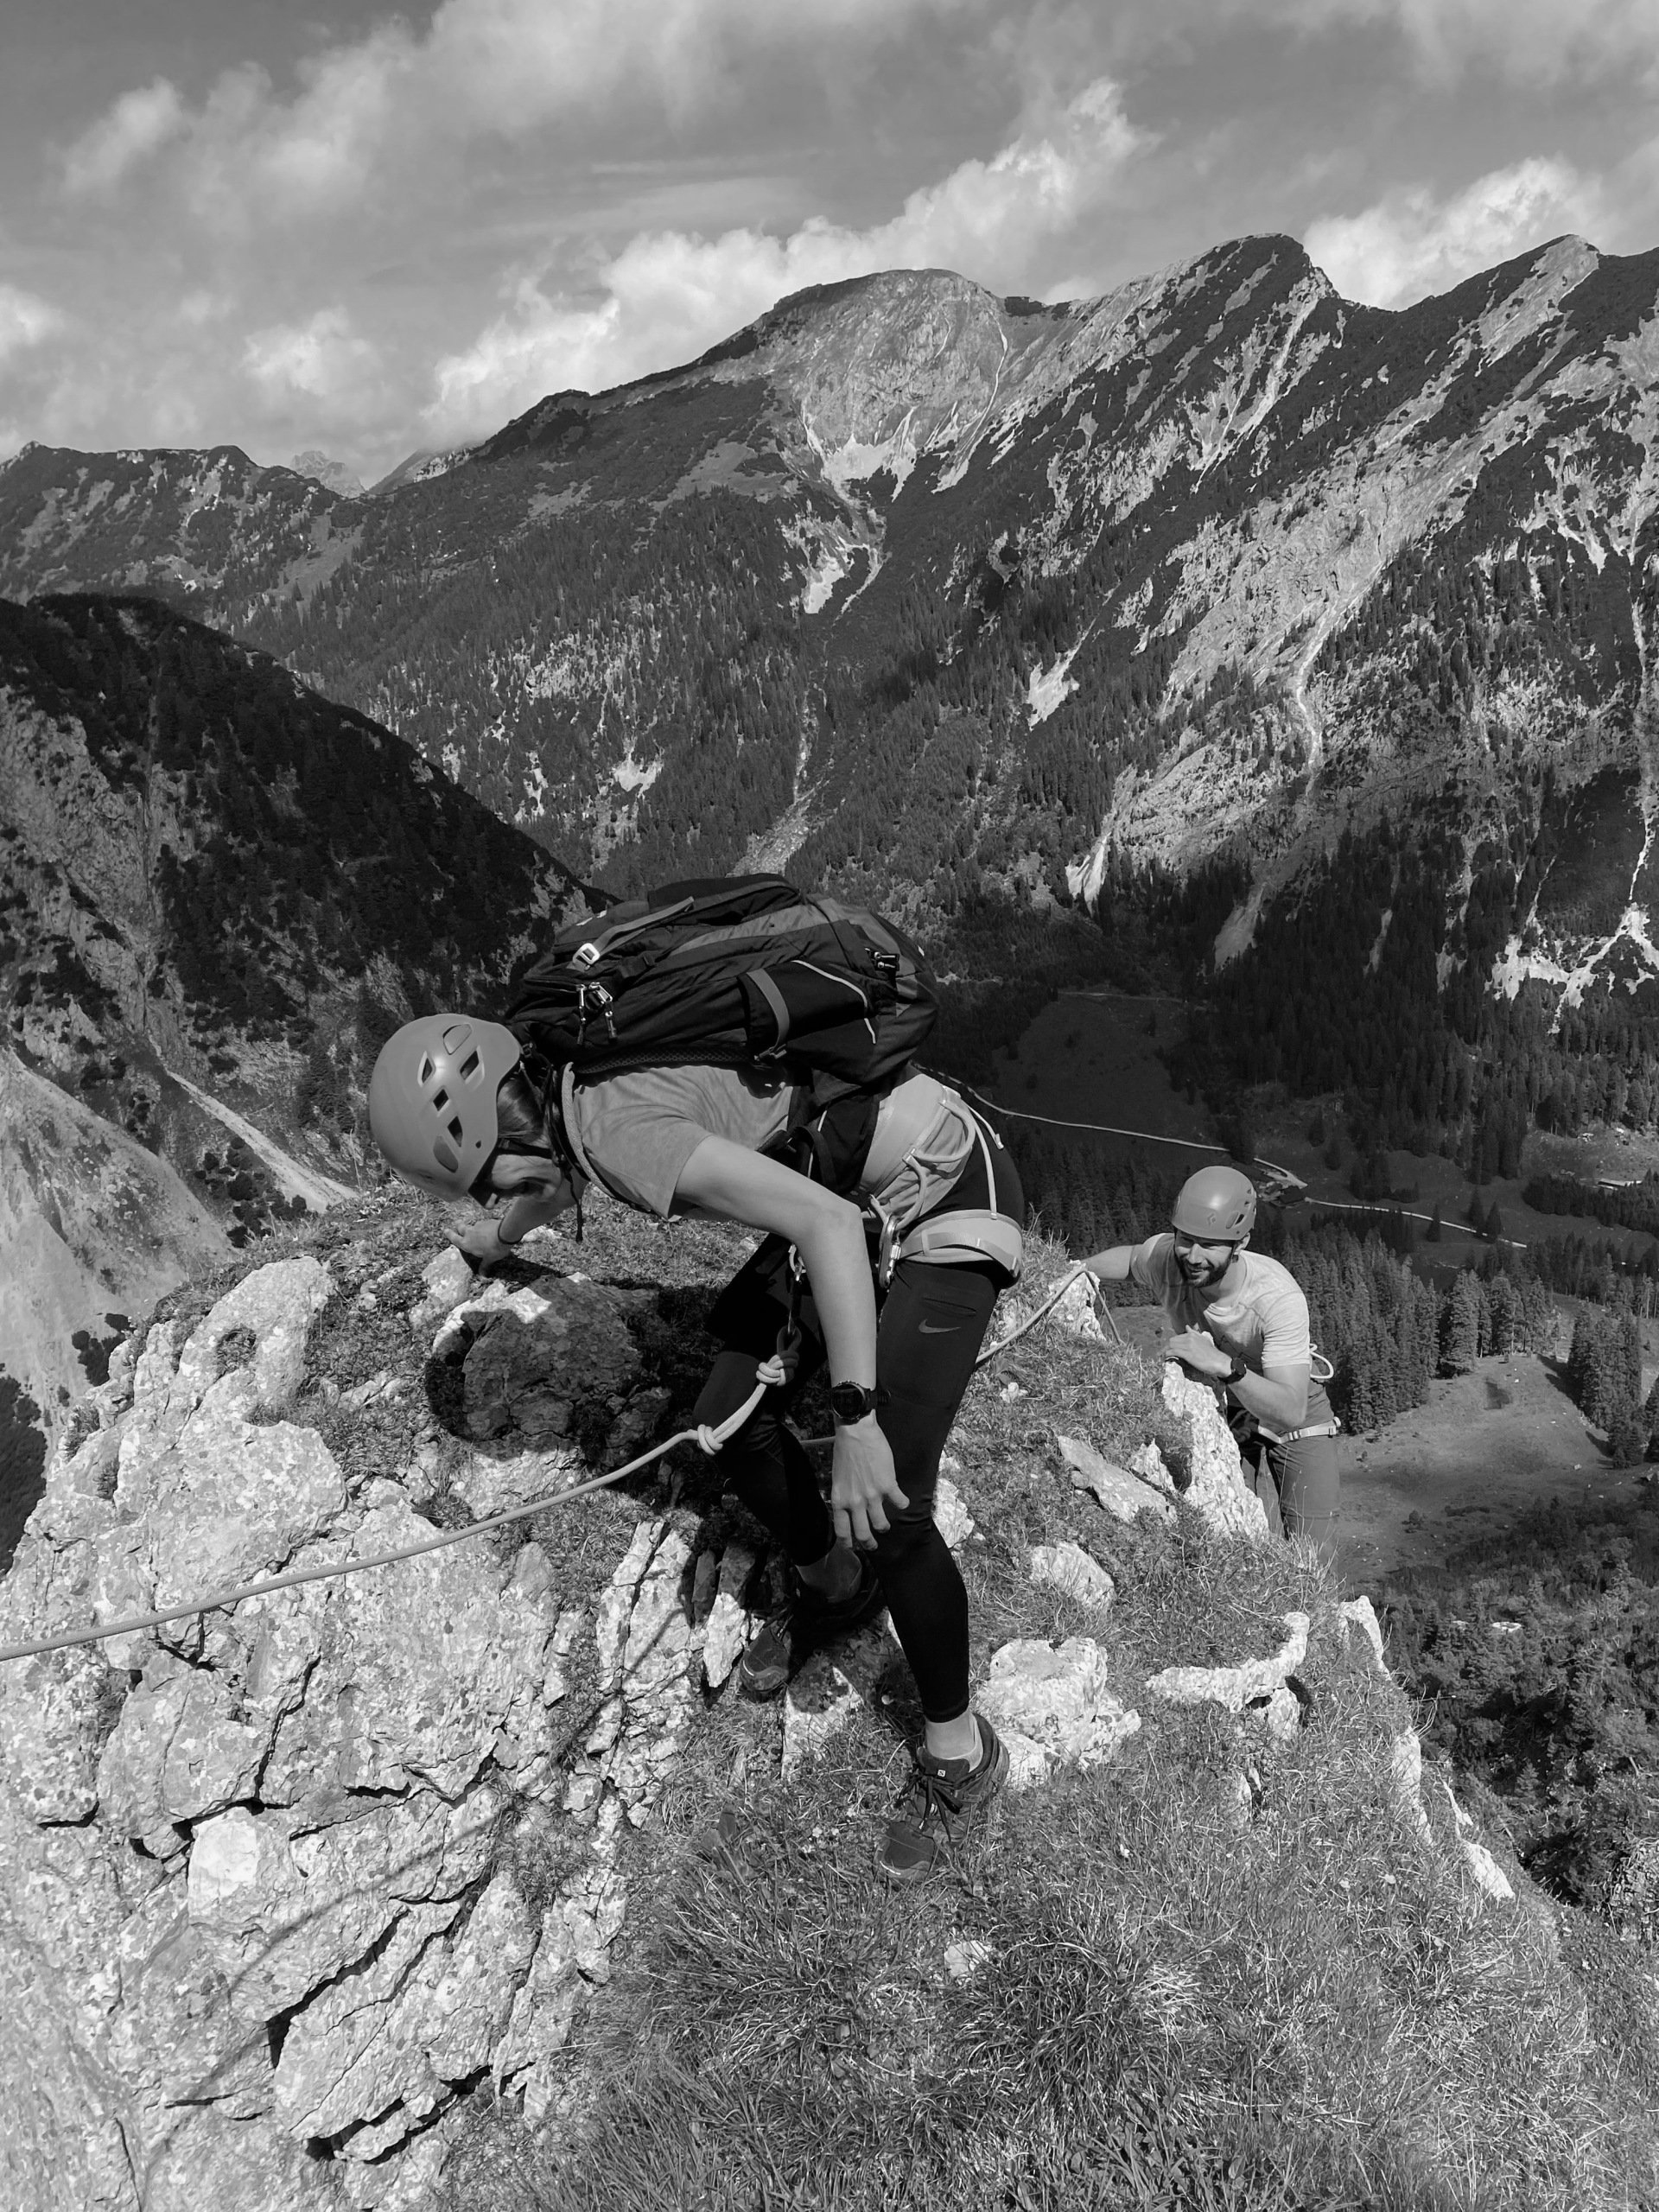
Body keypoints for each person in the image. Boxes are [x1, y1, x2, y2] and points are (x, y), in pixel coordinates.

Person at [368, 1013, 1025, 1880]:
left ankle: (960, 1754)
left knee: (888, 1502)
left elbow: (825, 1225)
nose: (493, 1203)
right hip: (846, 1184)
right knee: (730, 1415)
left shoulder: (615, 1135)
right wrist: (503, 1238)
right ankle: (836, 1583)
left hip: (945, 1189)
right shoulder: (561, 1090)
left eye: (489, 1187)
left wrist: (856, 1417)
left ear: (504, 1131)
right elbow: (551, 1178)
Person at [1082, 1164, 1339, 1562]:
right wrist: (1075, 1273)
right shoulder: (1170, 1258)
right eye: (1186, 1239)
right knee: (1226, 1543)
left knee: (1312, 1560)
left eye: (1210, 1245)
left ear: (1241, 1243)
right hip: (1226, 1411)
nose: (1193, 1255)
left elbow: (1290, 1410)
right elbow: (1133, 1259)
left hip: (1295, 1414)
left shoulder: (1276, 1298)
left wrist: (1224, 1366)